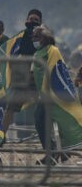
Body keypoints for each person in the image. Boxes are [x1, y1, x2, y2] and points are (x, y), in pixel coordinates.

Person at [31, 25, 82, 159]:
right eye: (33, 36)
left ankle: (54, 154)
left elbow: (53, 70)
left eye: (37, 36)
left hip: (53, 95)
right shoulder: (37, 52)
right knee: (43, 123)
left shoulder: (52, 50)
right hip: (43, 95)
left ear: (44, 38)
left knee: (49, 121)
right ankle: (55, 153)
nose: (34, 39)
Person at [1, 9, 43, 140]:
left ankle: (52, 142)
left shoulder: (43, 37)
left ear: (40, 22)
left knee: (45, 110)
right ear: (26, 20)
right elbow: (11, 51)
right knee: (11, 108)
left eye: (35, 20)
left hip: (37, 77)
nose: (32, 22)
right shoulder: (20, 36)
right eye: (31, 19)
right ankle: (0, 138)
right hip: (22, 77)